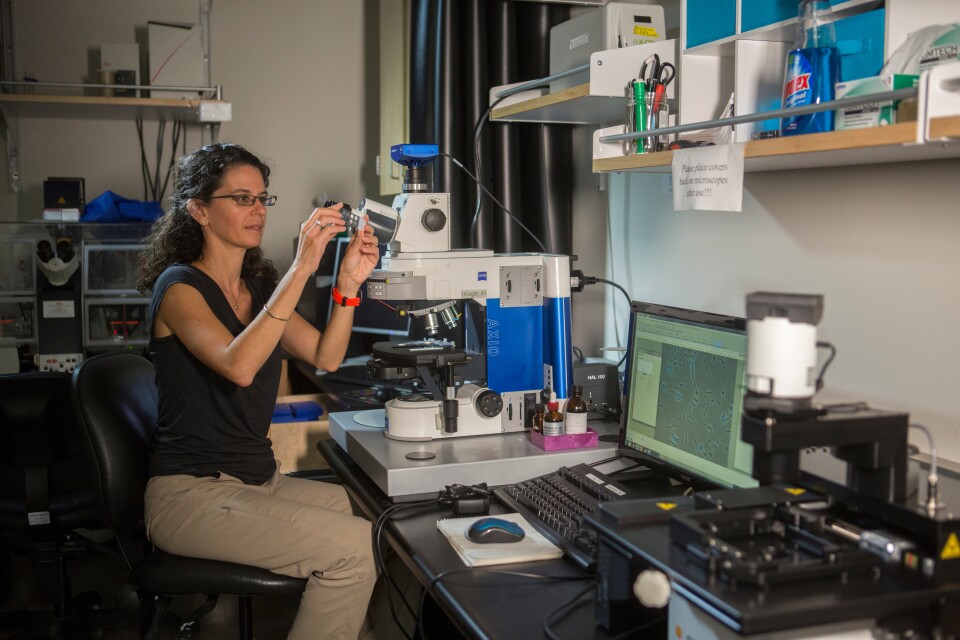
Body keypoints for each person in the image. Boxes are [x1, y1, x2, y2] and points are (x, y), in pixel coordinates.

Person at [136, 142, 380, 640]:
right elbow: (239, 366)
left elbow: (327, 356)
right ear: (199, 209)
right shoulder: (178, 288)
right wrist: (302, 267)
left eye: (262, 198)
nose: (258, 210)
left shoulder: (258, 291)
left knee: (378, 519)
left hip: (257, 482)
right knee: (354, 548)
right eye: (241, 198)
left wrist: (348, 286)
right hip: (190, 496)